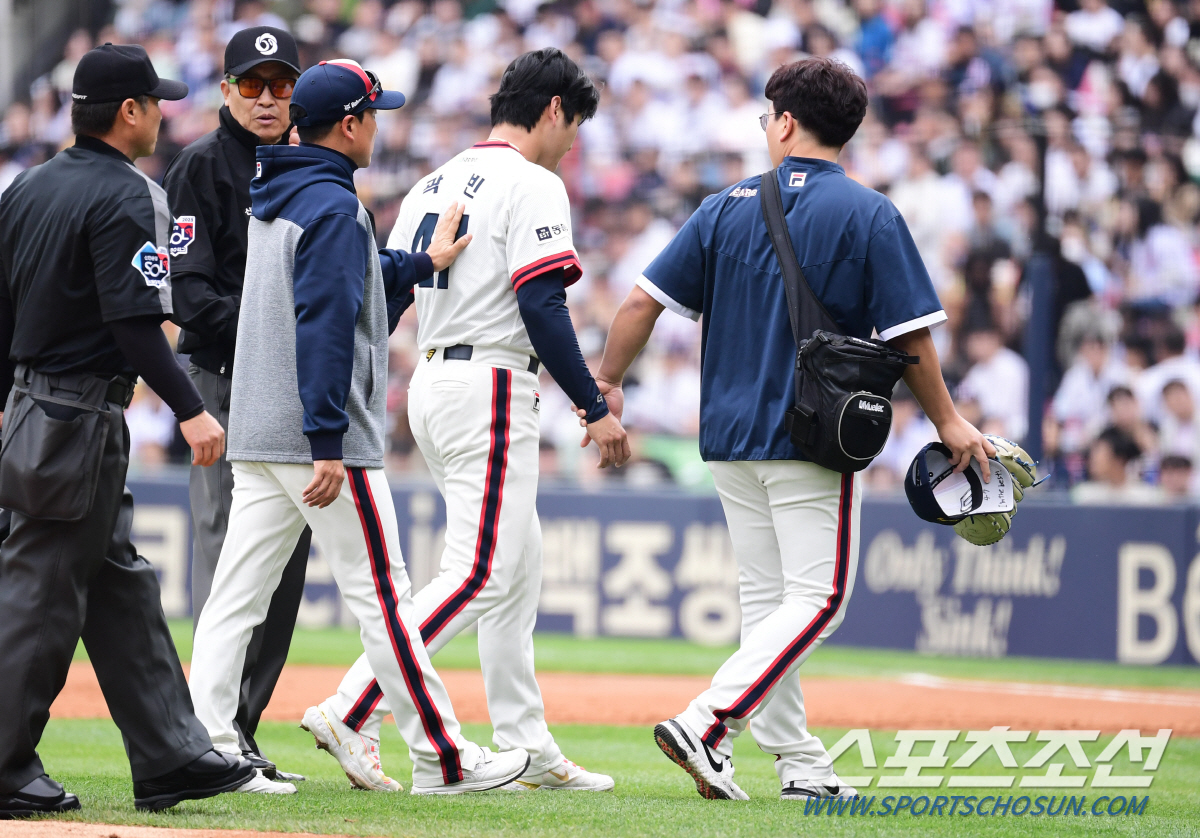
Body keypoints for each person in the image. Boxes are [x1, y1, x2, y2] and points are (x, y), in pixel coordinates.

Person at [592, 57, 991, 801]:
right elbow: (910, 339)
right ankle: (709, 721)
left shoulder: (722, 206)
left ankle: (798, 760)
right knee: (821, 599)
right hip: (814, 435)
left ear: (784, 122)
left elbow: (642, 304)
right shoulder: (870, 212)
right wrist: (950, 420)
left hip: (728, 437)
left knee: (772, 604)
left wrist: (607, 384)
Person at [187, 58, 530, 795]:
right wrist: (327, 439)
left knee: (234, 599)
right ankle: (442, 755)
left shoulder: (280, 190)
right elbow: (326, 322)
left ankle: (207, 747)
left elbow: (342, 276)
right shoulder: (336, 205)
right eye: (374, 113)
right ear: (350, 123)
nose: (379, 125)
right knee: (385, 598)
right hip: (316, 440)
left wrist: (416, 263)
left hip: (255, 428)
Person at [306, 47, 627, 794]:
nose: (573, 139)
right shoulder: (534, 181)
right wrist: (592, 404)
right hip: (488, 381)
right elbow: (543, 304)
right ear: (553, 109)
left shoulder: (431, 179)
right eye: (573, 122)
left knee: (517, 568)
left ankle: (526, 743)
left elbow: (386, 296)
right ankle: (354, 705)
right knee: (479, 572)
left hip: (434, 375)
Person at [0, 43, 253, 817]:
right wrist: (191, 408)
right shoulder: (130, 194)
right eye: (155, 103)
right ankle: (3, 764)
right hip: (77, 417)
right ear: (130, 113)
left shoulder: (27, 188)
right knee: (40, 593)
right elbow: (139, 324)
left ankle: (171, 754)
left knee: (119, 587)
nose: (164, 114)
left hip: (34, 409)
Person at [163, 25, 307, 785]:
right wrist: (272, 334)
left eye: (281, 84)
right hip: (224, 380)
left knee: (283, 566)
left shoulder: (311, 163)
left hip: (292, 392)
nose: (267, 98)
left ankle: (241, 731)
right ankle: (204, 737)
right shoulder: (199, 166)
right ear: (226, 90)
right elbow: (188, 294)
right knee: (228, 558)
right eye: (252, 84)